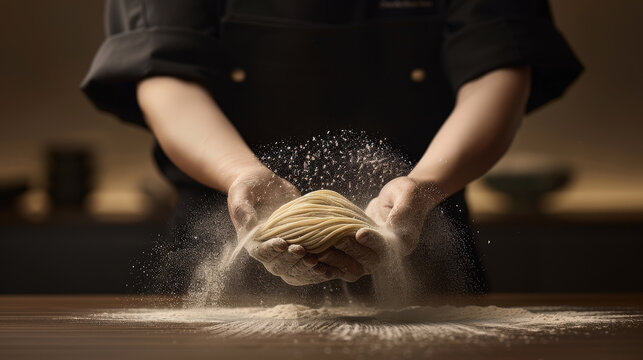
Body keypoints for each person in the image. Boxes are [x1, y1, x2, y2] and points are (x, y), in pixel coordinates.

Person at [82, 0, 582, 302]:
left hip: (422, 235)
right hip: (230, 224)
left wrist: (423, 186)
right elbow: (165, 75)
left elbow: (499, 68)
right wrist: (239, 174)